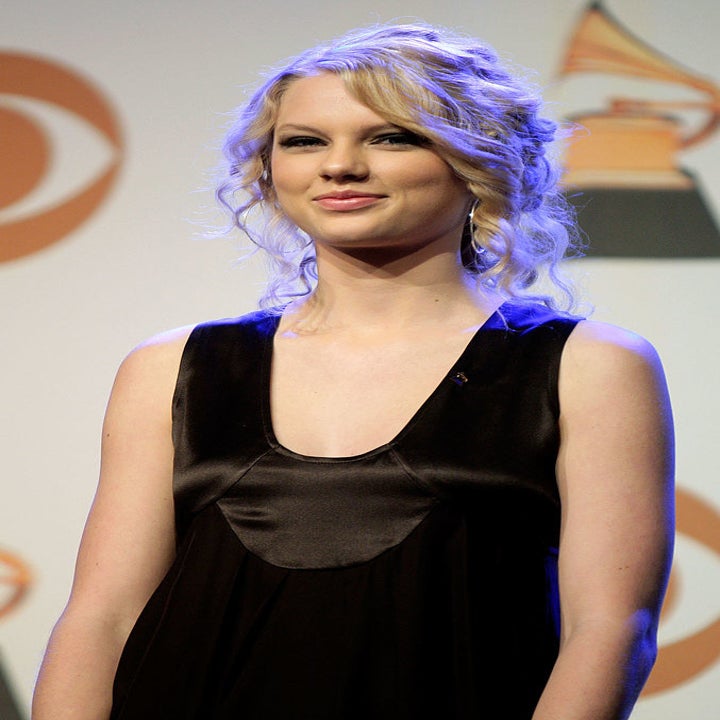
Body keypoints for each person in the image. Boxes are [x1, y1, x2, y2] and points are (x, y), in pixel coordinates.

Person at [32, 22, 674, 720]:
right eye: (304, 141)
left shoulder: (587, 366)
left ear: (481, 160)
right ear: (269, 169)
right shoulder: (176, 368)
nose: (339, 166)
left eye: (391, 138)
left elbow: (609, 629)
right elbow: (102, 619)